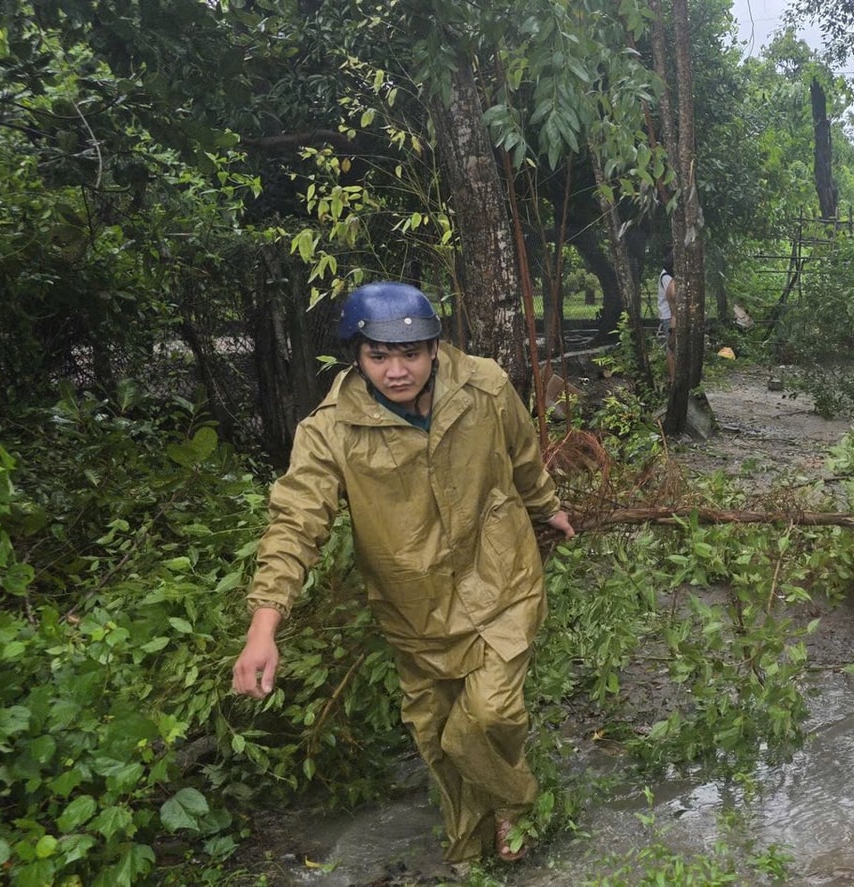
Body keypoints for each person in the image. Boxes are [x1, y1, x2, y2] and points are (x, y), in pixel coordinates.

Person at [230, 281, 577, 869]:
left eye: (411, 353)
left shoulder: (485, 386)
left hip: (501, 580)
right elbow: (296, 523)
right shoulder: (330, 430)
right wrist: (264, 627)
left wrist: (548, 508)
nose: (397, 370)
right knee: (435, 736)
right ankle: (470, 847)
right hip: (413, 606)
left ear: (435, 348)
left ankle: (517, 803)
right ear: (357, 356)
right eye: (379, 355)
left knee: (486, 719)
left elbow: (522, 456)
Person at [656, 261, 676, 342]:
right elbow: (673, 295)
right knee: (672, 344)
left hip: (672, 315)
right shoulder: (666, 276)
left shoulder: (669, 276)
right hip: (669, 315)